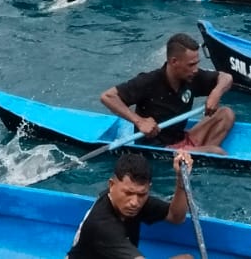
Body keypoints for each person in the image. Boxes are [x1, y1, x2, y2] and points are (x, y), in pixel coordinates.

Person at [100, 32, 234, 154]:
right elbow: (108, 96)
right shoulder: (148, 82)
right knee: (217, 152)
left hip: (181, 138)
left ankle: (194, 155)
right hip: (159, 148)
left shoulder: (192, 76)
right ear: (174, 62)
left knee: (226, 114)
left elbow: (226, 77)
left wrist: (216, 92)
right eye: (191, 65)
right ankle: (201, 154)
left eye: (196, 64)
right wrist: (139, 121)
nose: (195, 69)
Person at [67, 152, 195, 259]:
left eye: (142, 194)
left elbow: (175, 217)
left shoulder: (133, 200)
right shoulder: (102, 224)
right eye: (128, 193)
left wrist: (181, 180)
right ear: (111, 185)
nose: (135, 202)